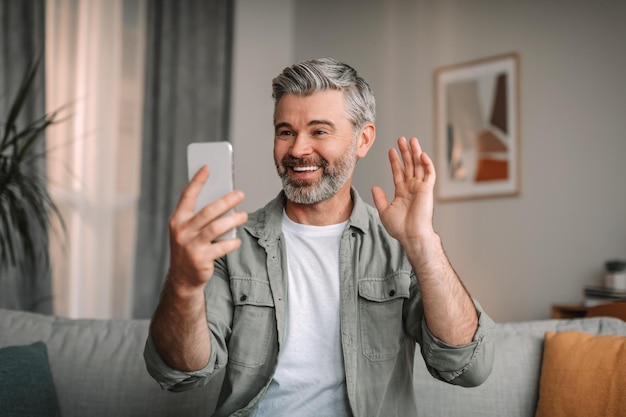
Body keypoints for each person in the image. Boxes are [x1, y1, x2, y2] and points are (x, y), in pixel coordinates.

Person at [144, 57, 495, 417]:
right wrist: (184, 286)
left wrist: (423, 244)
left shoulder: (398, 245)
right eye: (286, 132)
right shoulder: (231, 244)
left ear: (363, 139)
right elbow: (179, 373)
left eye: (319, 131)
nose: (297, 150)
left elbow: (469, 367)